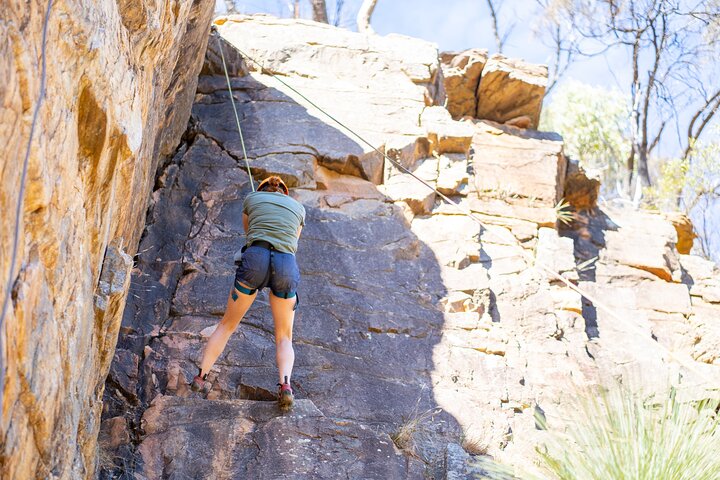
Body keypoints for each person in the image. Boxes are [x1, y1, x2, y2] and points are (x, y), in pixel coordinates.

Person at [191, 176, 305, 410]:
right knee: (284, 336)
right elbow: (294, 239)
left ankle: (200, 378)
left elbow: (249, 231)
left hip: (255, 259)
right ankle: (285, 386)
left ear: (262, 189)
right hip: (285, 264)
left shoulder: (252, 198)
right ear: (284, 193)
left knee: (227, 325)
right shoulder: (298, 208)